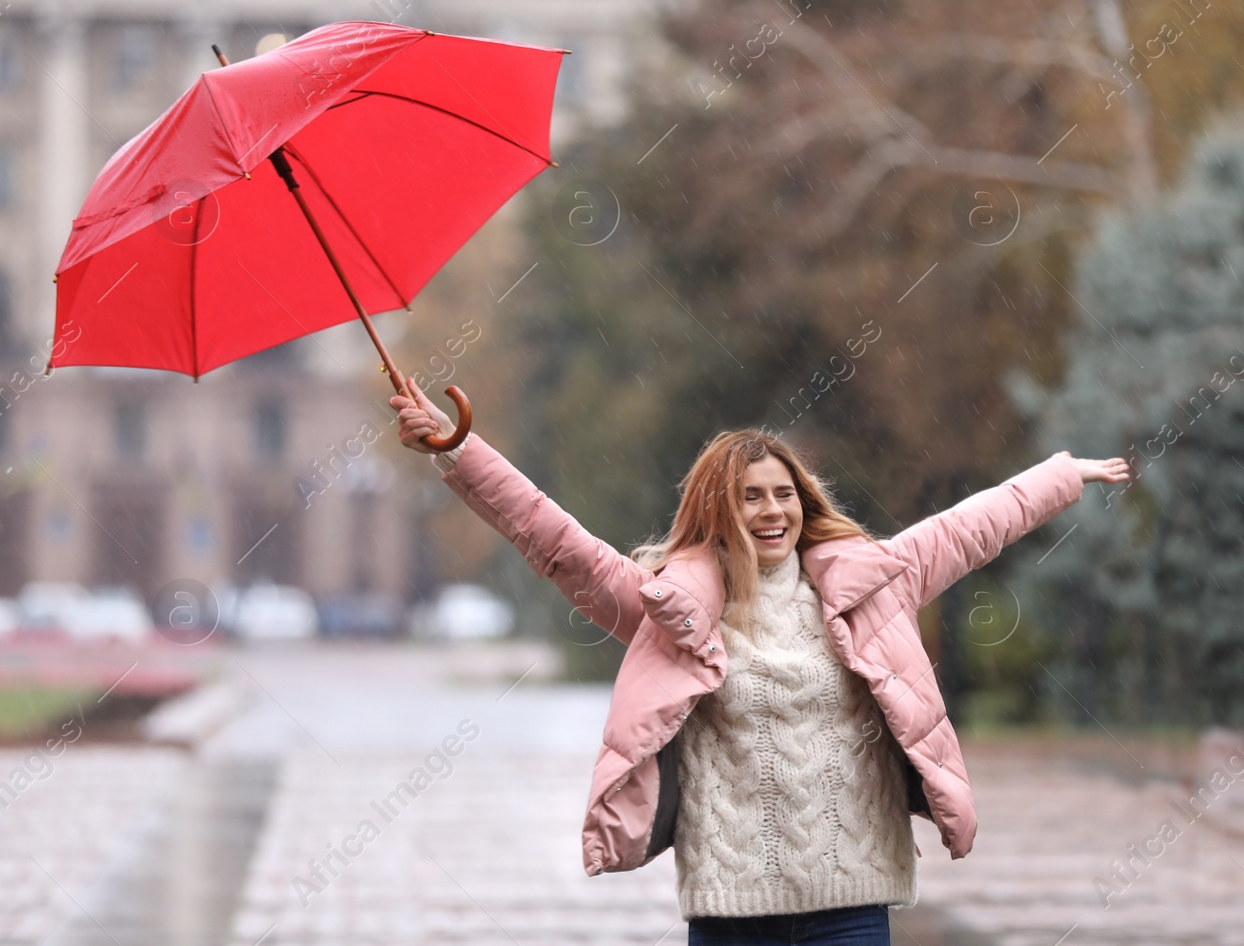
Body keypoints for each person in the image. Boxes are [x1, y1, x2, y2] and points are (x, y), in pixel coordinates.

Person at [391, 379, 1130, 946]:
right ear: (720, 507)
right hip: (730, 913)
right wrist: (457, 449)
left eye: (784, 494)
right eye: (751, 496)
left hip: (852, 905)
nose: (773, 510)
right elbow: (556, 542)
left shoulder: (871, 581)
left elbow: (971, 526)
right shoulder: (670, 609)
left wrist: (1063, 475)